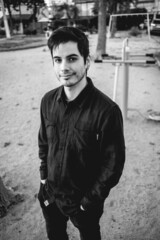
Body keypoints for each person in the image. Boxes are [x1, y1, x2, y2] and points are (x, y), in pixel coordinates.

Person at [38, 26, 125, 240]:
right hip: (51, 194)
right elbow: (43, 142)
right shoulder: (48, 101)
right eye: (57, 60)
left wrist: (89, 202)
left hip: (83, 204)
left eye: (72, 59)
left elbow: (112, 165)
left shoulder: (107, 111)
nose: (64, 67)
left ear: (87, 61)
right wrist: (43, 179)